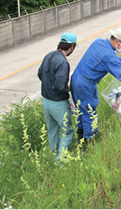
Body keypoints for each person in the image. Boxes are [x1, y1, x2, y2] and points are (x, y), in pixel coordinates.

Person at [70, 28, 121, 140]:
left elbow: (108, 56)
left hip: (76, 79)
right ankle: (88, 142)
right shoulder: (108, 56)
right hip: (85, 85)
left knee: (82, 111)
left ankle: (81, 136)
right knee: (89, 113)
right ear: (117, 41)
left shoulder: (98, 42)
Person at [38, 32, 77, 161]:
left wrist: (48, 85)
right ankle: (61, 162)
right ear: (71, 47)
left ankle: (53, 157)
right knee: (67, 132)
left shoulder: (48, 56)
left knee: (52, 131)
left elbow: (39, 74)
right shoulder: (62, 62)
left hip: (46, 102)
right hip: (58, 103)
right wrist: (71, 88)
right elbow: (61, 86)